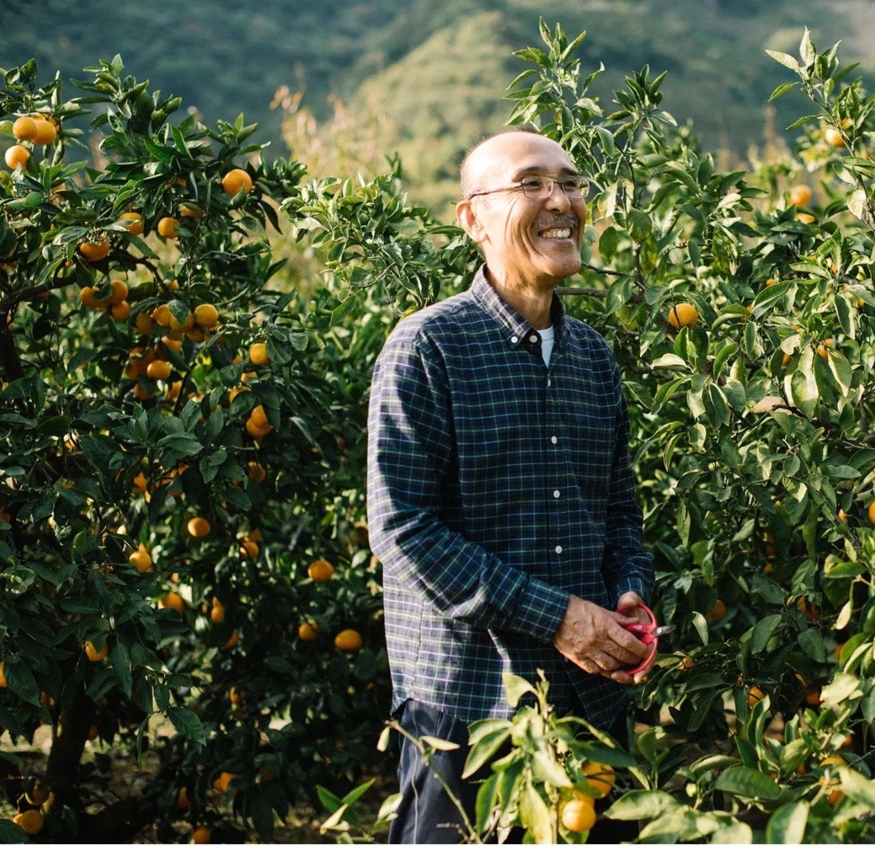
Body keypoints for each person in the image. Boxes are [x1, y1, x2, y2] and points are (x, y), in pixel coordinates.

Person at [367, 127, 655, 843]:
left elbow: (619, 511)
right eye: (531, 184)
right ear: (473, 218)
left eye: (570, 183)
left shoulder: (592, 357)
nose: (560, 200)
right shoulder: (429, 347)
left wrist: (630, 591)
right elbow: (403, 530)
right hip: (471, 709)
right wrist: (559, 618)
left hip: (588, 707)